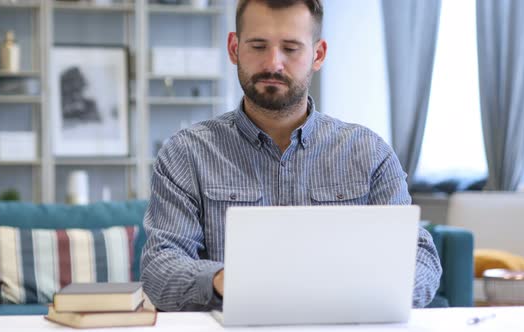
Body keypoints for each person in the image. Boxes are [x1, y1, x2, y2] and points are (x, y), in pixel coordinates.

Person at [140, 0, 442, 311]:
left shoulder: (370, 154)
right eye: (258, 46)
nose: (273, 63)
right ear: (234, 48)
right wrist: (224, 280)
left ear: (318, 54)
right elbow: (160, 266)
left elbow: (420, 258)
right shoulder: (186, 153)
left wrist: (363, 292)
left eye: (291, 48)